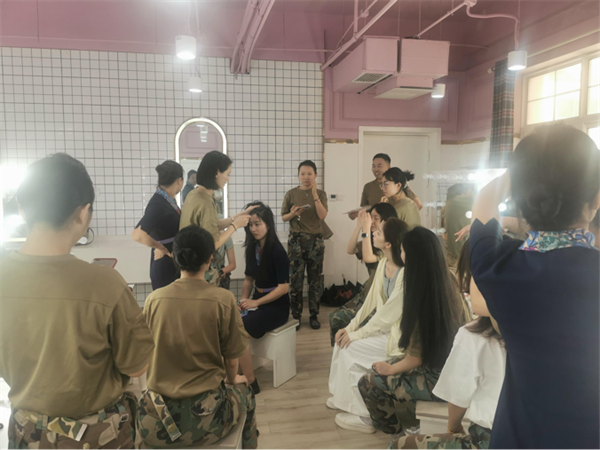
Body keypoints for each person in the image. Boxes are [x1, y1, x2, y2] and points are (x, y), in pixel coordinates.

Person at [1, 153, 154, 449]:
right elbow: (137, 367)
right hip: (99, 437)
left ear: (22, 209)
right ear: (83, 213)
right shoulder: (106, 283)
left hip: (26, 435)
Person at [468, 124, 600, 450]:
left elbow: (485, 200)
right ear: (596, 198)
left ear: (520, 197)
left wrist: (518, 174)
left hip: (517, 438)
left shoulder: (498, 268)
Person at [138, 226, 258, 450]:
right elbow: (232, 359)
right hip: (207, 420)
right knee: (247, 392)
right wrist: (233, 380)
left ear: (175, 256)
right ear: (210, 259)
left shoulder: (154, 299)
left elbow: (143, 354)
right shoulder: (223, 300)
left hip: (155, 421)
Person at [388, 240, 505, 450]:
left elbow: (457, 397)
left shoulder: (473, 337)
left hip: (493, 438)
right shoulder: (546, 329)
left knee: (397, 446)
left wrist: (453, 429)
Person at [357, 227, 471, 435]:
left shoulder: (422, 297)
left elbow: (415, 359)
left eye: (402, 251)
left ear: (412, 257)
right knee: (391, 364)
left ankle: (391, 429)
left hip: (438, 380)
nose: (400, 255)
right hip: (451, 368)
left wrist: (389, 369)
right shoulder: (448, 279)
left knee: (367, 382)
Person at [327, 218, 410, 433]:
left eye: (378, 232)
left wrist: (357, 335)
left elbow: (387, 315)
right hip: (384, 331)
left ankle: (365, 417)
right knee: (341, 340)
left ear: (389, 243)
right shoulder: (383, 264)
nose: (373, 233)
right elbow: (369, 304)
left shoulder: (406, 273)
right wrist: (350, 328)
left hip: (398, 338)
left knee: (349, 347)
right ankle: (340, 397)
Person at [180, 151, 256, 286]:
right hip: (200, 271)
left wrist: (240, 216)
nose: (228, 179)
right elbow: (212, 244)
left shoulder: (194, 194)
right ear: (216, 173)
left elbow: (211, 224)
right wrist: (235, 226)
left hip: (188, 268)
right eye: (227, 174)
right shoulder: (205, 203)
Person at [237, 204, 291, 395]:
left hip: (276, 308)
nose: (253, 229)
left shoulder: (277, 251)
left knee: (238, 331)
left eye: (258, 224)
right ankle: (237, 373)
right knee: (231, 322)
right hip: (258, 302)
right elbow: (248, 279)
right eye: (250, 225)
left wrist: (256, 303)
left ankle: (251, 381)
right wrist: (243, 300)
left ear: (268, 224)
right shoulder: (252, 248)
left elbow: (283, 288)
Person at [329, 203, 399, 346]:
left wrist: (366, 228)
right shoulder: (372, 240)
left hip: (379, 298)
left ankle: (349, 348)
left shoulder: (388, 246)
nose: (371, 221)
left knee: (341, 319)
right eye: (370, 217)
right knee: (335, 317)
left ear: (386, 221)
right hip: (366, 292)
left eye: (376, 218)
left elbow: (368, 258)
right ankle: (341, 349)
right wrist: (358, 227)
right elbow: (350, 249)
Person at [281, 160, 328, 330]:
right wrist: (292, 214)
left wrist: (314, 195)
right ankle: (296, 316)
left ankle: (314, 315)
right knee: (296, 280)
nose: (306, 177)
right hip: (296, 240)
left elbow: (322, 216)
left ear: (315, 175)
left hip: (316, 240)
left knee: (315, 280)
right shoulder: (291, 194)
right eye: (302, 173)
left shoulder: (321, 194)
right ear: (298, 175)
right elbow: (283, 217)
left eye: (309, 173)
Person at [132, 160, 184, 290]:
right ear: (179, 181)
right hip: (164, 266)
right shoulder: (158, 203)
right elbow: (138, 234)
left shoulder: (168, 200)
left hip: (172, 262)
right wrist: (161, 248)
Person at [351, 154, 422, 220]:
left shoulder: (401, 190)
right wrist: (359, 214)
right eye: (373, 166)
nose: (376, 169)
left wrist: (400, 218)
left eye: (379, 166)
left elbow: (417, 205)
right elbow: (365, 209)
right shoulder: (368, 186)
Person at [440, 183, 475, 268]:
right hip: (471, 257)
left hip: (452, 259)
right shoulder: (475, 203)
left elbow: (444, 236)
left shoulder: (445, 207)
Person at [216, 213, 236, 290]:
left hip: (220, 271)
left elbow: (232, 264)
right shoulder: (204, 238)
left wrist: (221, 271)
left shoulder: (227, 238)